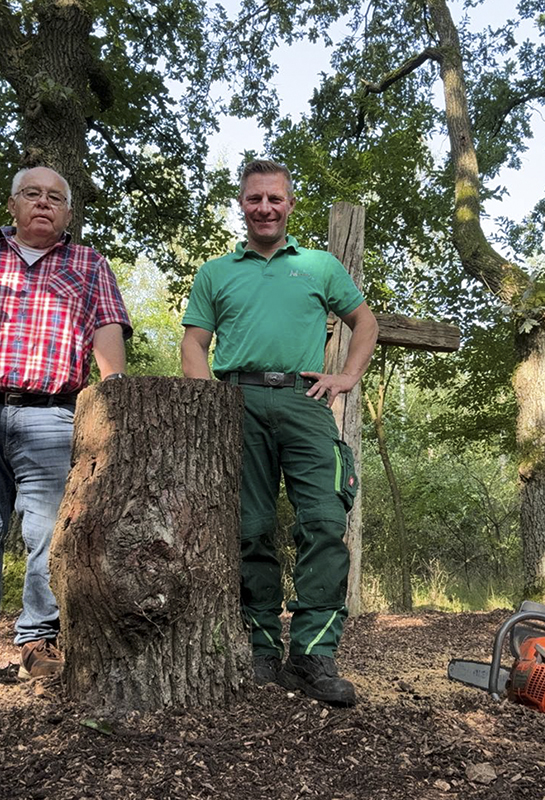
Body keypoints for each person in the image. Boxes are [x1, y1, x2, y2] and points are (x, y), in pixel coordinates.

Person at [0, 166, 132, 685]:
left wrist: (116, 403)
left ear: (68, 212)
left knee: (48, 535)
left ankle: (40, 638)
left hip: (52, 414)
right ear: (11, 205)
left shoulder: (88, 263)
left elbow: (107, 334)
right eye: (31, 194)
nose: (43, 203)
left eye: (55, 197)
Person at [180, 159, 378, 706]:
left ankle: (314, 652)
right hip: (235, 402)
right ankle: (262, 648)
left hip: (305, 400)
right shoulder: (216, 272)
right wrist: (206, 401)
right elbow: (195, 343)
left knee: (323, 518)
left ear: (290, 205)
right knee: (249, 526)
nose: (264, 208)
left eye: (275, 199)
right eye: (254, 199)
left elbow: (366, 322)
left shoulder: (318, 265)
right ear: (241, 205)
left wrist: (347, 376)